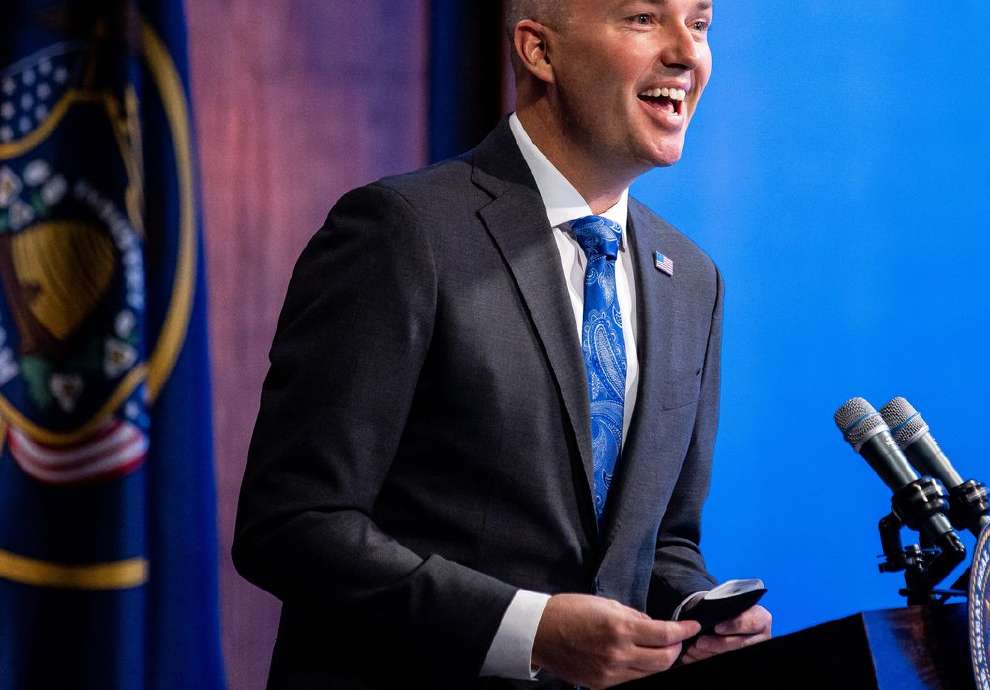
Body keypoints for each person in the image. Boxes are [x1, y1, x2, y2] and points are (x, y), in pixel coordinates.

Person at [232, 1, 770, 688]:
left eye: (699, 25)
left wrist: (694, 613)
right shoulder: (404, 232)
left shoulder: (692, 280)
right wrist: (529, 630)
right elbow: (293, 525)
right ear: (538, 52)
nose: (687, 54)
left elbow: (662, 544)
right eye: (643, 19)